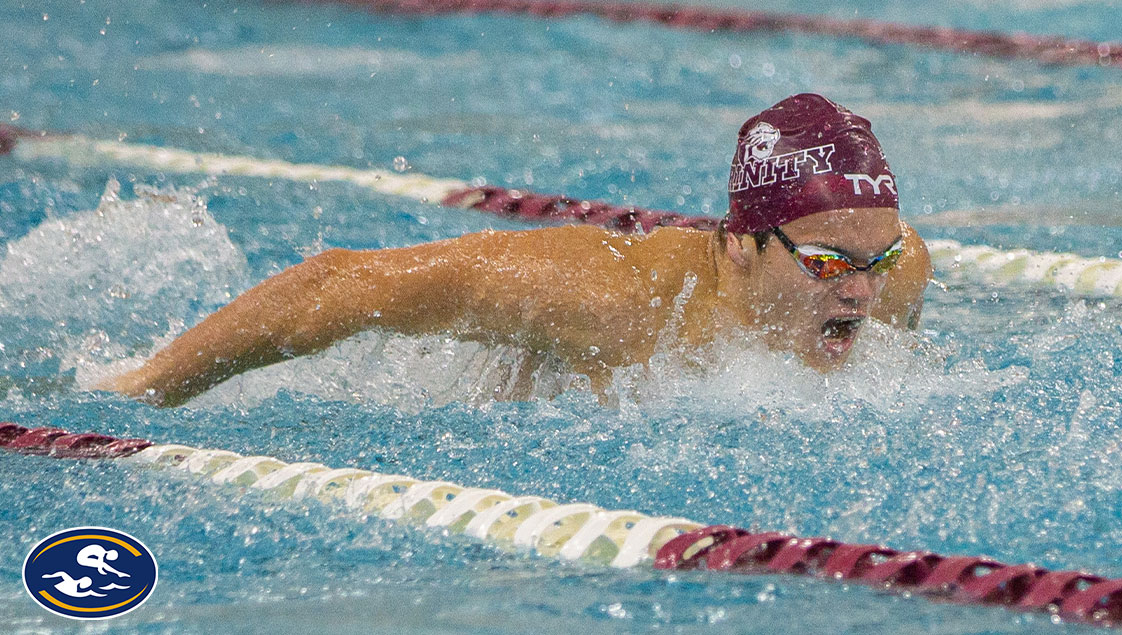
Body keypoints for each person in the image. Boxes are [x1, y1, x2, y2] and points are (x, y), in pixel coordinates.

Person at [98, 93, 931, 407]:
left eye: (875, 260)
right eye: (827, 264)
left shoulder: (894, 270)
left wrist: (864, 261)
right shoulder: (612, 301)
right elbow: (334, 285)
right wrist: (141, 390)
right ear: (742, 245)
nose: (859, 293)